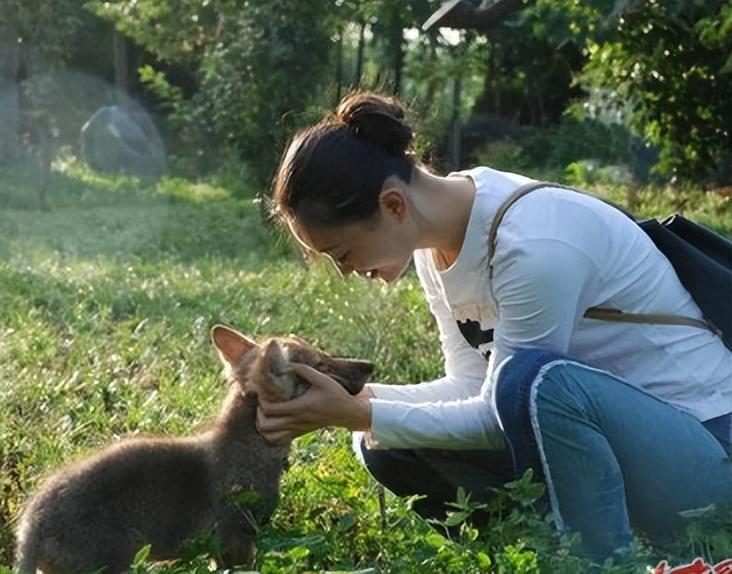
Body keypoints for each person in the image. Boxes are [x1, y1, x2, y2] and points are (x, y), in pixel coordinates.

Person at [257, 90, 732, 563]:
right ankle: (531, 548)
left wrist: (357, 411)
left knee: (535, 380)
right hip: (610, 451)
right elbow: (471, 385)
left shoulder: (534, 243)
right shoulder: (435, 244)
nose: (347, 271)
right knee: (387, 445)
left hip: (708, 455)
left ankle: (600, 561)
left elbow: (508, 407)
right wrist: (358, 405)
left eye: (342, 253)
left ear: (394, 205)